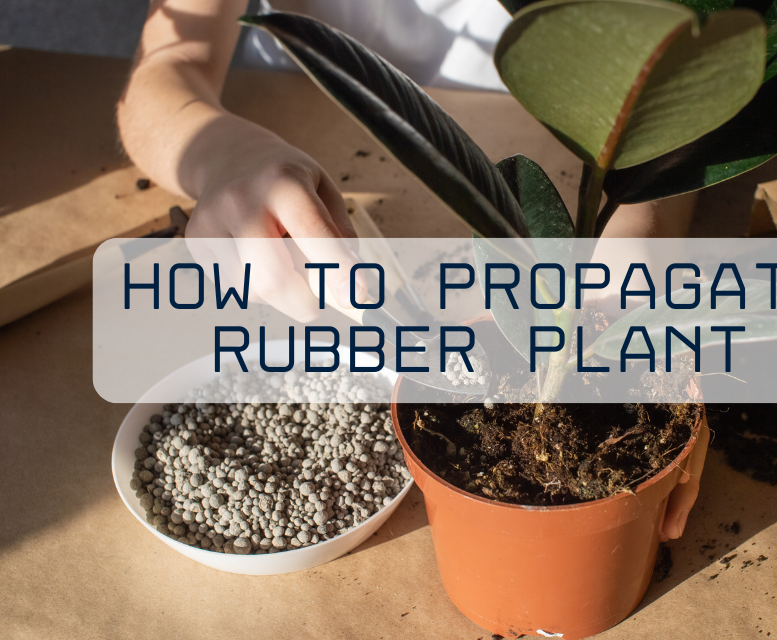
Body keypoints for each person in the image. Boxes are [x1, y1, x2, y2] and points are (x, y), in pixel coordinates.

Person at [118, 0, 704, 540]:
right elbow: (167, 70)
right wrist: (223, 153)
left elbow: (696, 73)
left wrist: (641, 229)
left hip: (568, 133)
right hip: (302, 100)